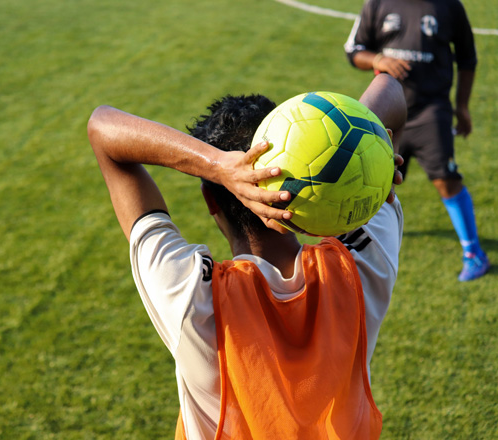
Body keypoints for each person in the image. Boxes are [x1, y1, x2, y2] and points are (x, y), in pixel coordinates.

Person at [88, 74, 406, 439]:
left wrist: (216, 166)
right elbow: (390, 87)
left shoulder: (192, 295)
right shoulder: (362, 264)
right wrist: (370, 149)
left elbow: (103, 127)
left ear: (211, 202)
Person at [344, 0, 489, 281]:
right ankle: (347, 253)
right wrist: (378, 60)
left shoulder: (449, 7)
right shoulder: (377, 3)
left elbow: (468, 58)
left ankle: (474, 254)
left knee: (445, 178)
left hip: (431, 112)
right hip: (386, 111)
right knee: (370, 182)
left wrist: (462, 107)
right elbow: (353, 51)